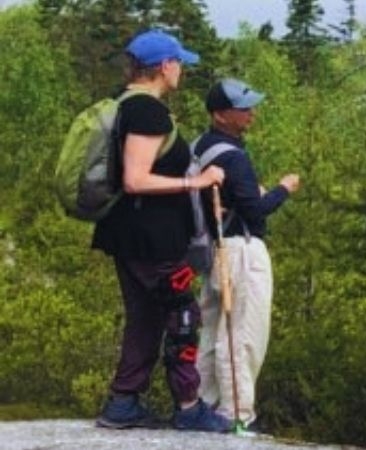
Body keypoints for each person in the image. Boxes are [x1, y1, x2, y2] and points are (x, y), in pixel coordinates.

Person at [92, 29, 232, 433]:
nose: (182, 70)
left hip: (127, 233)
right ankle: (188, 406)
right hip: (152, 239)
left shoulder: (123, 105)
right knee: (182, 313)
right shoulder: (147, 112)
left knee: (145, 317)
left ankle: (123, 401)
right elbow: (136, 179)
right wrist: (197, 182)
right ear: (165, 67)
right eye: (179, 63)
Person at [193, 78, 300, 431]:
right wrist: (283, 190)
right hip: (241, 250)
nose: (251, 113)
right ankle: (237, 413)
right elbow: (255, 211)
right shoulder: (233, 157)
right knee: (243, 333)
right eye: (243, 109)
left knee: (210, 331)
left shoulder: (200, 147)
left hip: (214, 249)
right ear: (221, 115)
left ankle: (202, 404)